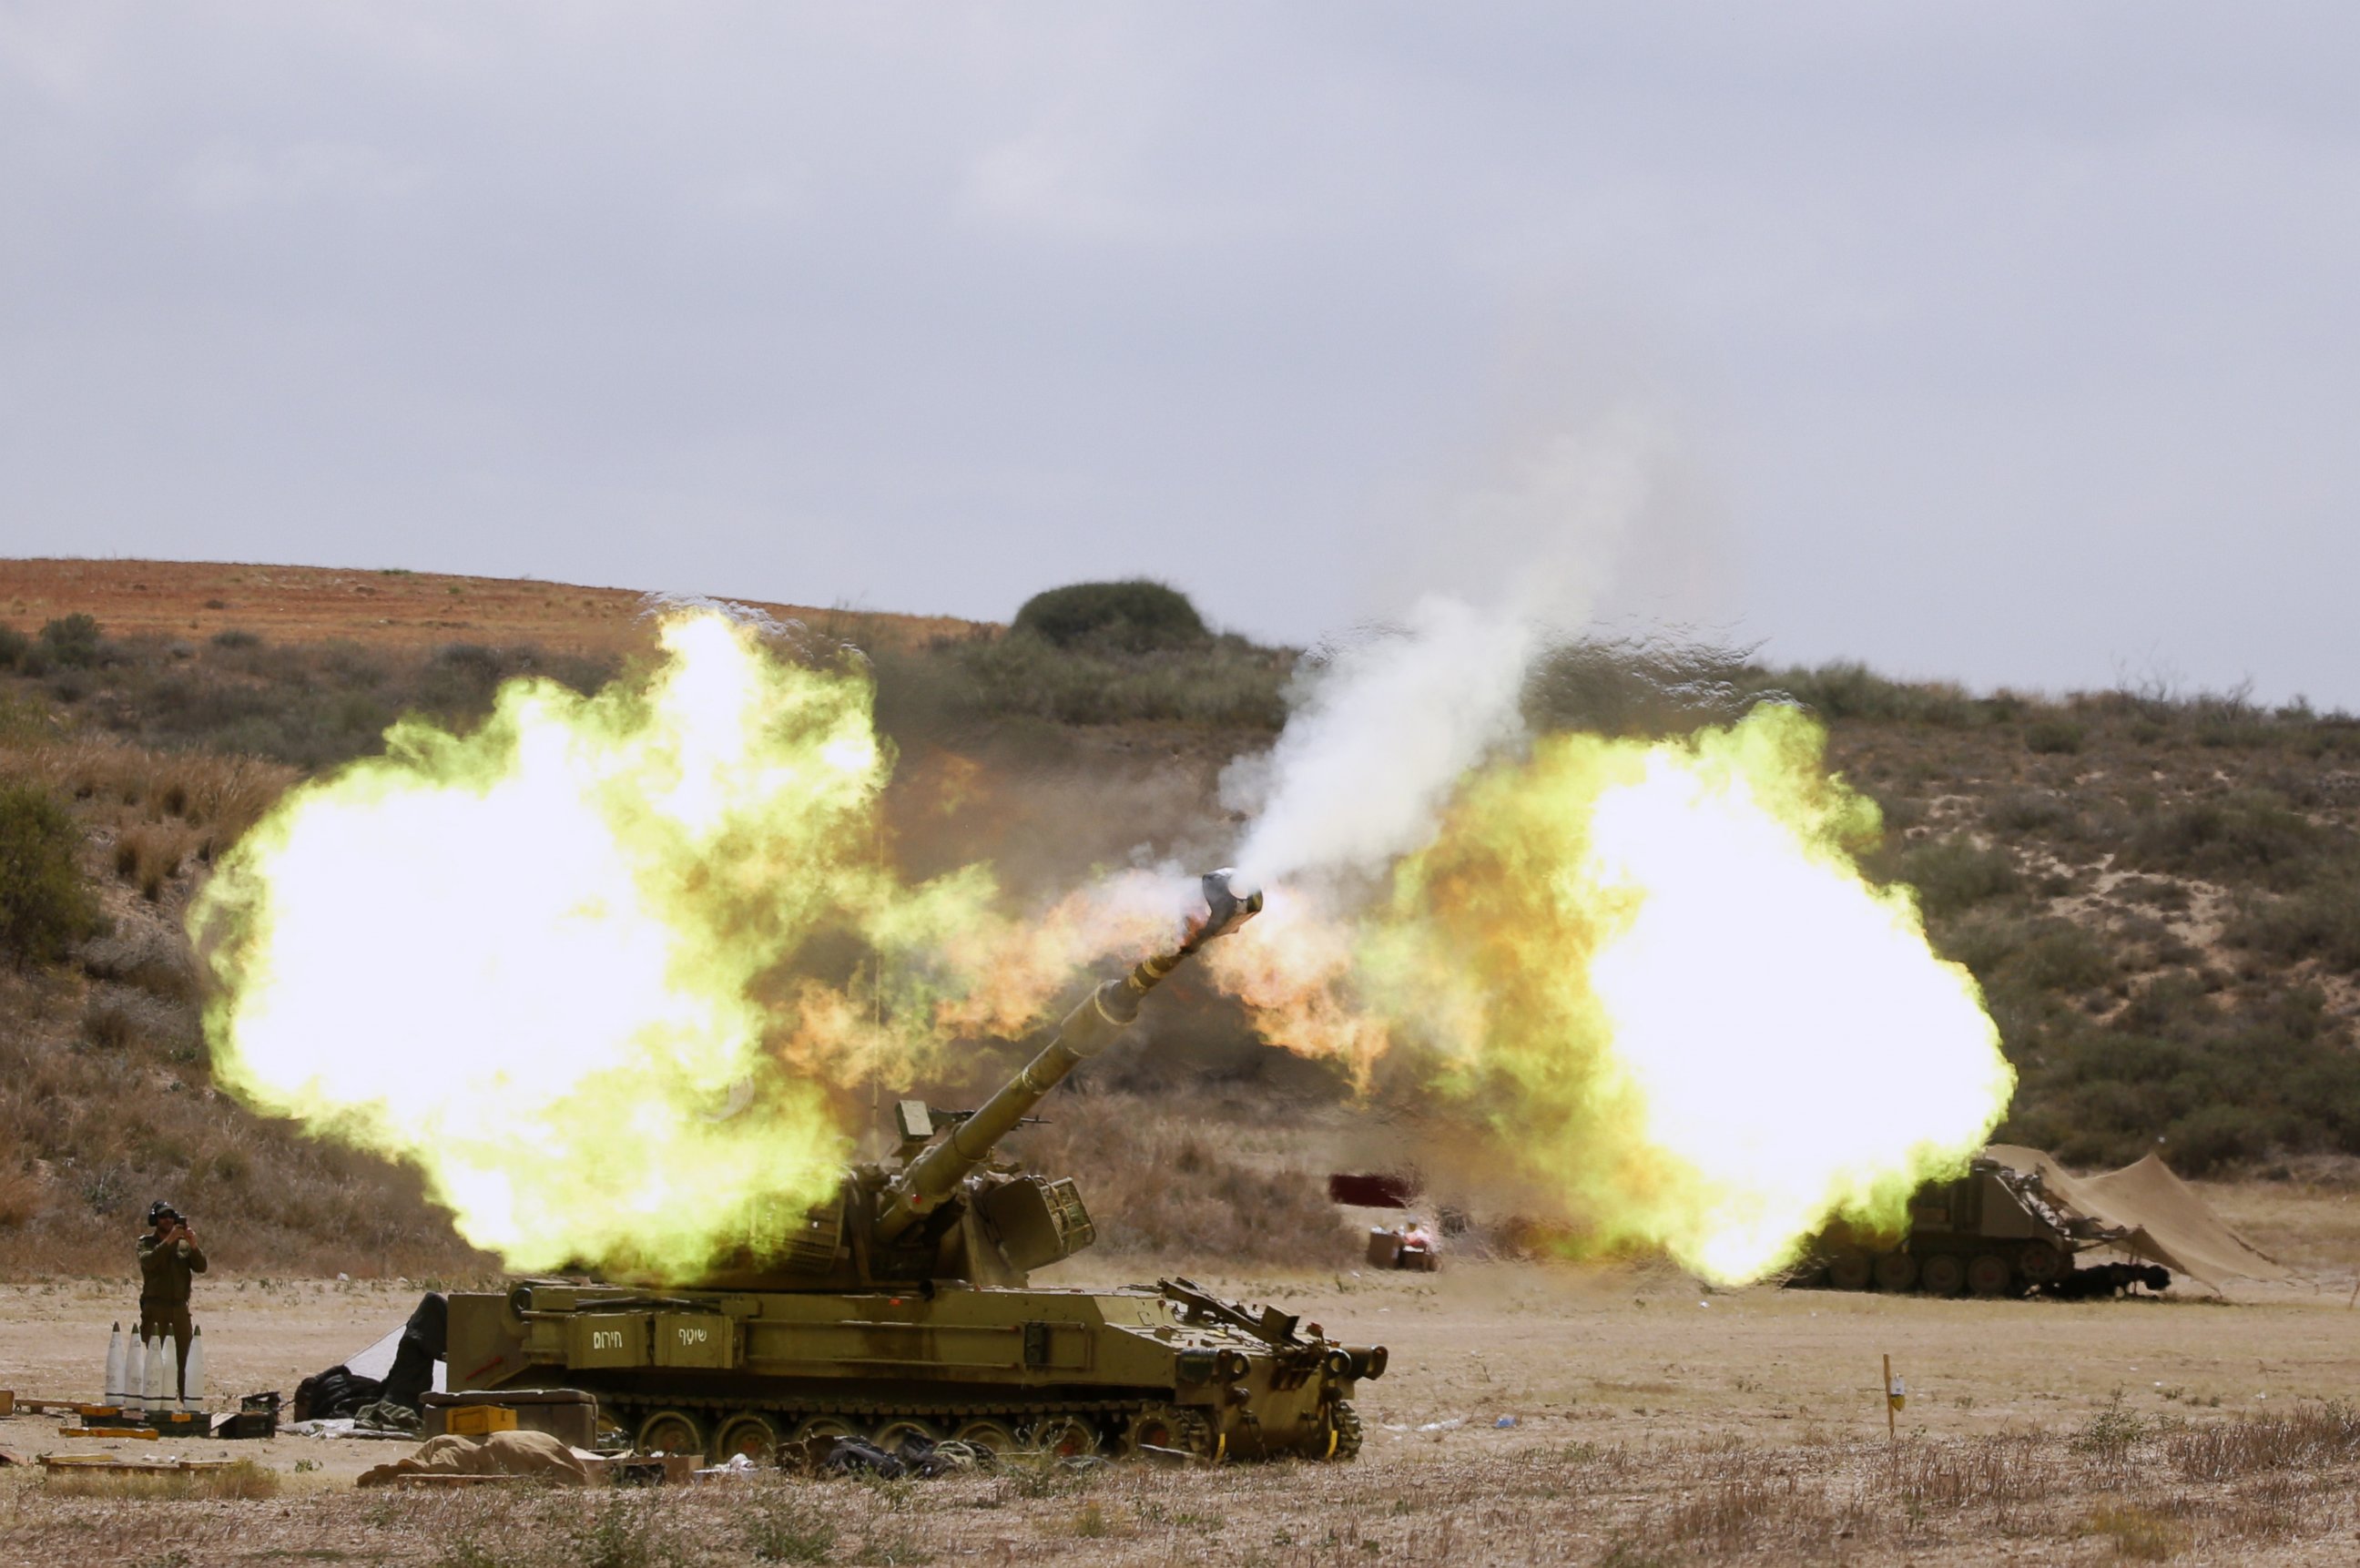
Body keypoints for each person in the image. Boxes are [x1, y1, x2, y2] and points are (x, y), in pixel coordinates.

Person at [136, 1200, 206, 1400]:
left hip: (179, 1309)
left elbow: (201, 1266)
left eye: (170, 1217)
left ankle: (186, 1400)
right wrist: (168, 1242)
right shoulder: (146, 1243)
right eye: (163, 1217)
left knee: (185, 1357)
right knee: (157, 1357)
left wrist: (193, 1246)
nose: (167, 1220)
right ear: (154, 1220)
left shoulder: (183, 1245)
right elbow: (148, 1262)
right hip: (156, 1307)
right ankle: (157, 1400)